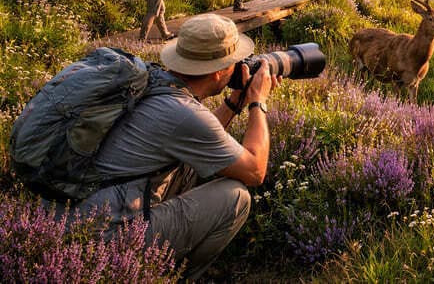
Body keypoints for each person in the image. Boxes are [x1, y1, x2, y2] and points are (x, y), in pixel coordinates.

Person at [53, 14, 279, 281]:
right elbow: (255, 171)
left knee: (203, 163)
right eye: (234, 62)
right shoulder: (183, 112)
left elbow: (200, 137)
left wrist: (233, 104)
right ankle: (174, 276)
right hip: (104, 239)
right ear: (219, 71)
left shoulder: (149, 81)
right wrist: (257, 102)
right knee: (236, 196)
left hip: (66, 216)